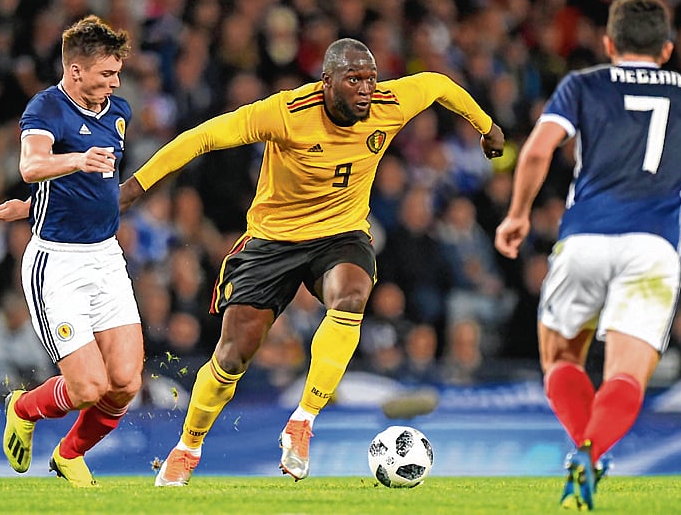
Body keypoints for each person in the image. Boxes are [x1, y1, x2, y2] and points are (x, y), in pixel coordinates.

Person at [118, 37, 505, 486]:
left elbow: (438, 84)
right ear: (326, 82)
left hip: (340, 233)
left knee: (353, 296)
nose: (366, 89)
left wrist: (487, 125)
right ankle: (187, 447)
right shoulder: (285, 113)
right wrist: (134, 187)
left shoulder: (389, 103)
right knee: (232, 357)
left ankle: (302, 421)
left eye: (371, 78)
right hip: (273, 241)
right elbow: (202, 137)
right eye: (354, 79)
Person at [494, 0, 681, 511]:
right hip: (653, 249)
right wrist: (677, 192)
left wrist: (516, 214)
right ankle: (591, 452)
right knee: (626, 375)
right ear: (667, 49)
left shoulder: (582, 84)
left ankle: (587, 452)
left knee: (560, 358)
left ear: (608, 43)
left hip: (585, 240)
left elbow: (537, 149)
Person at [0, 15, 144, 487]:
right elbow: (32, 163)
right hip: (58, 264)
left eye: (117, 74)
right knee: (87, 387)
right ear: (75, 71)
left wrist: (32, 207)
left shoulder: (119, 112)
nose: (114, 83)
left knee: (126, 383)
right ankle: (23, 408)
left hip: (106, 258)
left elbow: (87, 192)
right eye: (105, 74)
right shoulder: (45, 108)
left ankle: (69, 455)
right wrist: (75, 159)